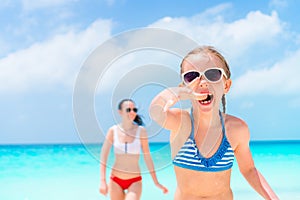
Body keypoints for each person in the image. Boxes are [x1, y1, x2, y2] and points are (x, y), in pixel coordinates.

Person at [149, 46, 279, 199]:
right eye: (192, 77)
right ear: (183, 85)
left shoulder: (236, 129)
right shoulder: (180, 122)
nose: (203, 82)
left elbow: (249, 170)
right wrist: (175, 93)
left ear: (226, 85)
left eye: (212, 74)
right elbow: (155, 111)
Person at [99, 99, 168, 200]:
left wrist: (156, 182)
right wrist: (102, 181)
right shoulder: (113, 130)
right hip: (115, 180)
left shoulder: (141, 131)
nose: (132, 112)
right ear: (120, 112)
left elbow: (147, 157)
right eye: (128, 110)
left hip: (134, 181)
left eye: (134, 109)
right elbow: (103, 156)